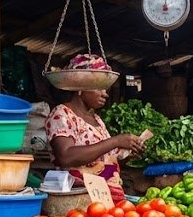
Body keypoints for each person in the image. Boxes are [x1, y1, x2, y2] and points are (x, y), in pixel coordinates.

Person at [47, 54, 144, 203]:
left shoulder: (97, 120)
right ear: (80, 88)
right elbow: (66, 156)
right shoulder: (62, 114)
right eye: (99, 88)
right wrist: (116, 141)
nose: (105, 94)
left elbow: (105, 160)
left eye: (105, 89)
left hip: (106, 197)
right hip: (80, 199)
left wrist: (129, 153)